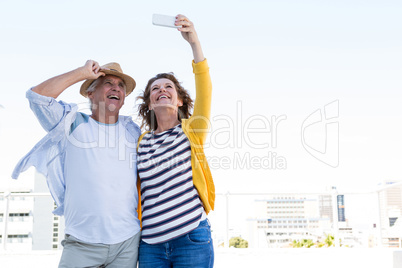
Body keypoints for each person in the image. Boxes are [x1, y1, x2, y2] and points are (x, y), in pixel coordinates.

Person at [12, 61, 142, 267]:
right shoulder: (72, 123)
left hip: (127, 244)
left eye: (120, 86)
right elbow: (37, 97)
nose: (116, 88)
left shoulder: (132, 131)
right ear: (90, 93)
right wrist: (82, 73)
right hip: (81, 244)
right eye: (107, 83)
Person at [136, 14, 215, 268]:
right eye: (155, 89)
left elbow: (205, 88)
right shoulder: (140, 142)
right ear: (149, 103)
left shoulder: (192, 130)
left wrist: (194, 42)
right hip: (150, 246)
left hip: (191, 238)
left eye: (168, 87)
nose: (162, 90)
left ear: (179, 100)